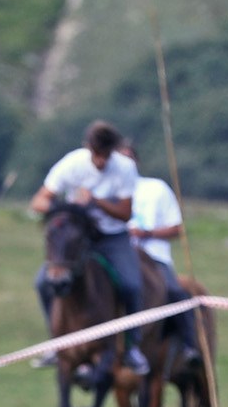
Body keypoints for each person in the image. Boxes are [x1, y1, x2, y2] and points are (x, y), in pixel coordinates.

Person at [28, 120, 150, 375]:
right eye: (96, 155)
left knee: (131, 284)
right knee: (43, 282)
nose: (101, 161)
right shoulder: (72, 164)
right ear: (88, 148)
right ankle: (56, 341)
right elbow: (39, 201)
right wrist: (68, 208)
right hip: (78, 236)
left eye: (106, 155)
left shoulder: (125, 168)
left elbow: (125, 213)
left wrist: (96, 202)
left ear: (113, 151)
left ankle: (131, 347)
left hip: (111, 237)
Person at [118, 143, 200, 367]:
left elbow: (177, 228)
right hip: (120, 257)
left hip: (154, 257)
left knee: (175, 291)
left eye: (128, 159)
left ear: (137, 162)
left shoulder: (156, 189)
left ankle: (188, 346)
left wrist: (147, 233)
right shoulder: (105, 190)